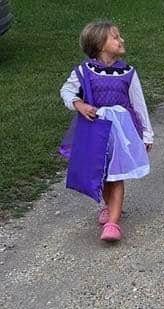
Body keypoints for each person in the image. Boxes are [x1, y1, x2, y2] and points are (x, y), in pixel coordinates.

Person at [59, 20, 153, 243]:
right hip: (95, 130)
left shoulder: (128, 72)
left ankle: (113, 223)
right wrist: (79, 104)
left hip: (121, 131)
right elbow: (66, 90)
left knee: (116, 174)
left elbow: (138, 103)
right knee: (102, 173)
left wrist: (147, 133)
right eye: (115, 37)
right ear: (100, 44)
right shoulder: (84, 71)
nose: (121, 40)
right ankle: (108, 205)